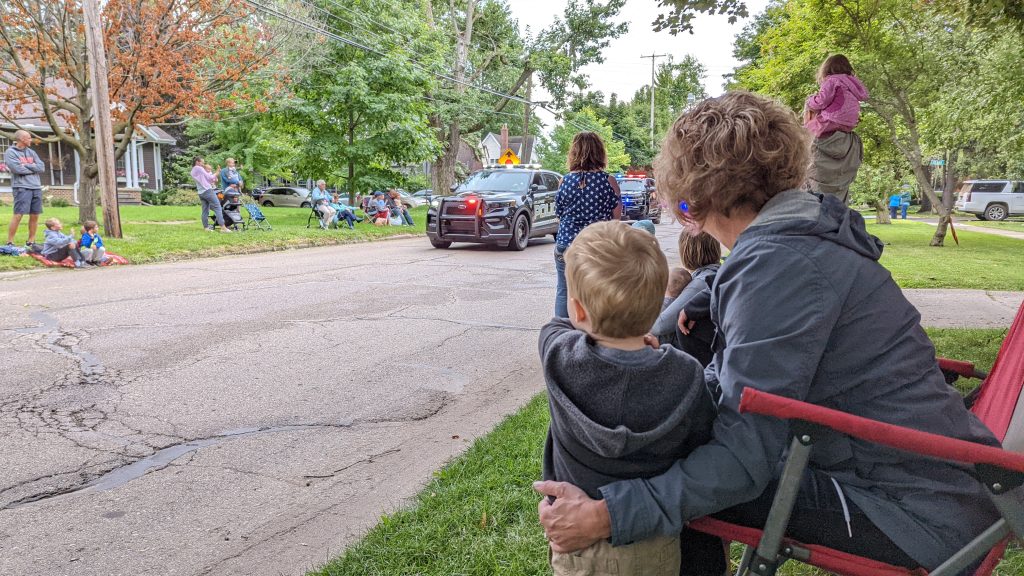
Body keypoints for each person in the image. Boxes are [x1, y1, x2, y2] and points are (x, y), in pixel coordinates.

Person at [535, 92, 1001, 576]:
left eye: (685, 202)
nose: (684, 212)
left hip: (911, 512)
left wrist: (609, 512)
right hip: (923, 480)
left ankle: (584, 519)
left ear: (698, 193)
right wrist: (705, 286)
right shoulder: (801, 236)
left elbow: (742, 462)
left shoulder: (776, 269)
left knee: (659, 459)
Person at [540, 221, 719, 576]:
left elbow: (552, 326)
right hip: (652, 539)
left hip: (576, 544)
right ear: (657, 310)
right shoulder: (684, 374)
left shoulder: (559, 356)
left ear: (577, 311)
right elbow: (702, 435)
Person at [553, 132, 622, 318]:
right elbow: (616, 220)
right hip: (597, 247)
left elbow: (559, 216)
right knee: (596, 292)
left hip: (566, 245)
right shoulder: (608, 181)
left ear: (574, 152)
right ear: (600, 152)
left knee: (564, 290)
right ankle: (592, 335)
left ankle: (561, 334)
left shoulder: (564, 181)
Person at [803, 54, 869, 205]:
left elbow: (821, 101)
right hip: (847, 124)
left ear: (826, 70)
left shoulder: (832, 81)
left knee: (807, 129)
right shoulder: (854, 145)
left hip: (832, 120)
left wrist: (810, 102)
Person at [650, 230, 721, 367]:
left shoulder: (702, 281)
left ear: (686, 250)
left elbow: (661, 325)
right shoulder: (711, 274)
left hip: (691, 360)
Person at [5, 129, 46, 248]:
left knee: (35, 215)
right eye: (28, 138)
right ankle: (10, 242)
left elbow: (41, 167)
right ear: (22, 139)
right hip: (21, 187)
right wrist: (33, 167)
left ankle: (31, 241)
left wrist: (27, 165)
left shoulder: (32, 152)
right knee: (18, 214)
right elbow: (17, 169)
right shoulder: (11, 152)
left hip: (36, 187)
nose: (30, 139)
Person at [190, 157, 232, 233]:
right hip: (207, 191)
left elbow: (208, 179)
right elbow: (209, 177)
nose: (203, 164)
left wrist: (214, 176)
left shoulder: (193, 170)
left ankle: (206, 228)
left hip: (201, 192)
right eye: (202, 162)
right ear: (197, 162)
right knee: (218, 207)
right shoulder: (199, 168)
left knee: (205, 210)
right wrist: (217, 172)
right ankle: (223, 228)